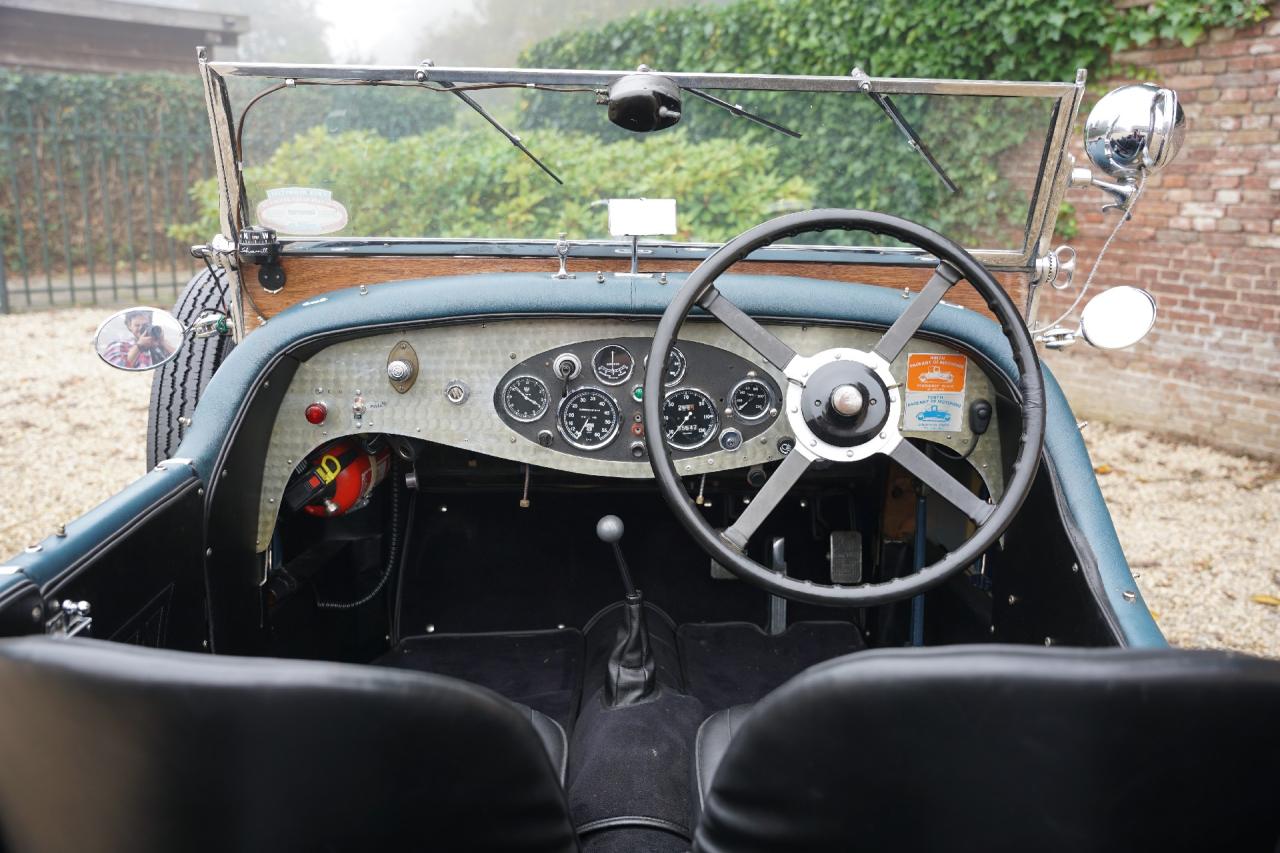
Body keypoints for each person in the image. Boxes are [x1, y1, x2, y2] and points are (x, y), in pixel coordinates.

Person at [102, 310, 176, 369]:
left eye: (145, 325)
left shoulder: (160, 344)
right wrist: (139, 346)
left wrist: (162, 342)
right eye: (137, 325)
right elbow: (118, 368)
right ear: (129, 325)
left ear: (150, 324)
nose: (141, 328)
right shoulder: (119, 346)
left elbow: (181, 360)